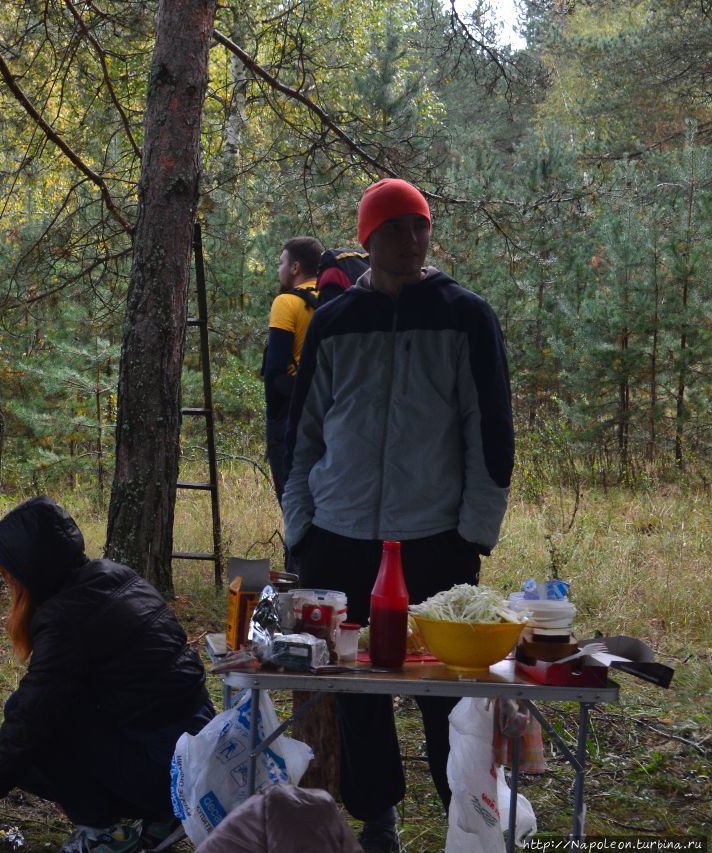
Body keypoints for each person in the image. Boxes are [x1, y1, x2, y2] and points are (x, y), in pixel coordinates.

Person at [281, 178, 514, 853]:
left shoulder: (465, 315)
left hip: (435, 538)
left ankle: (463, 817)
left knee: (447, 693)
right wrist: (302, 529)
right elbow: (302, 440)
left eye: (422, 226)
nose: (413, 241)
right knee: (358, 690)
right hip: (340, 534)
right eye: (398, 228)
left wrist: (474, 530)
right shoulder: (332, 321)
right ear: (368, 239)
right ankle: (375, 817)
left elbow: (490, 433)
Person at [0, 497, 213, 853]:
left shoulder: (67, 620)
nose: (6, 586)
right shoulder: (115, 575)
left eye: (7, 576)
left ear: (28, 572)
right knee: (47, 713)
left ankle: (104, 832)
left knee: (32, 731)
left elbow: (28, 723)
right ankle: (162, 813)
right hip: (197, 751)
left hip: (168, 768)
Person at [264, 236, 323, 502]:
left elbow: (275, 366)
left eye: (281, 263)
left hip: (292, 410)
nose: (279, 269)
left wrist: (274, 420)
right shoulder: (334, 297)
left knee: (292, 495)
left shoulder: (286, 302)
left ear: (295, 267)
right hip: (329, 406)